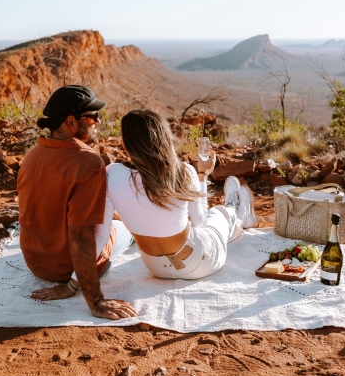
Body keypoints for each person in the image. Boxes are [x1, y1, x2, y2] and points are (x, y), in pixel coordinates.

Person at [17, 85, 137, 320]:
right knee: (125, 230)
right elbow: (81, 235)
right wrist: (95, 301)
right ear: (71, 122)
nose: (98, 122)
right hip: (67, 268)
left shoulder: (32, 155)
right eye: (92, 117)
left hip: (36, 262)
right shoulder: (87, 162)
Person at [105, 109, 257, 279]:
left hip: (156, 268)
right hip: (198, 261)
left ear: (126, 143)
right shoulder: (183, 171)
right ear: (164, 138)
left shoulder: (111, 173)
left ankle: (235, 215)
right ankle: (237, 213)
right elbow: (199, 221)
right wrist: (202, 175)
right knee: (217, 213)